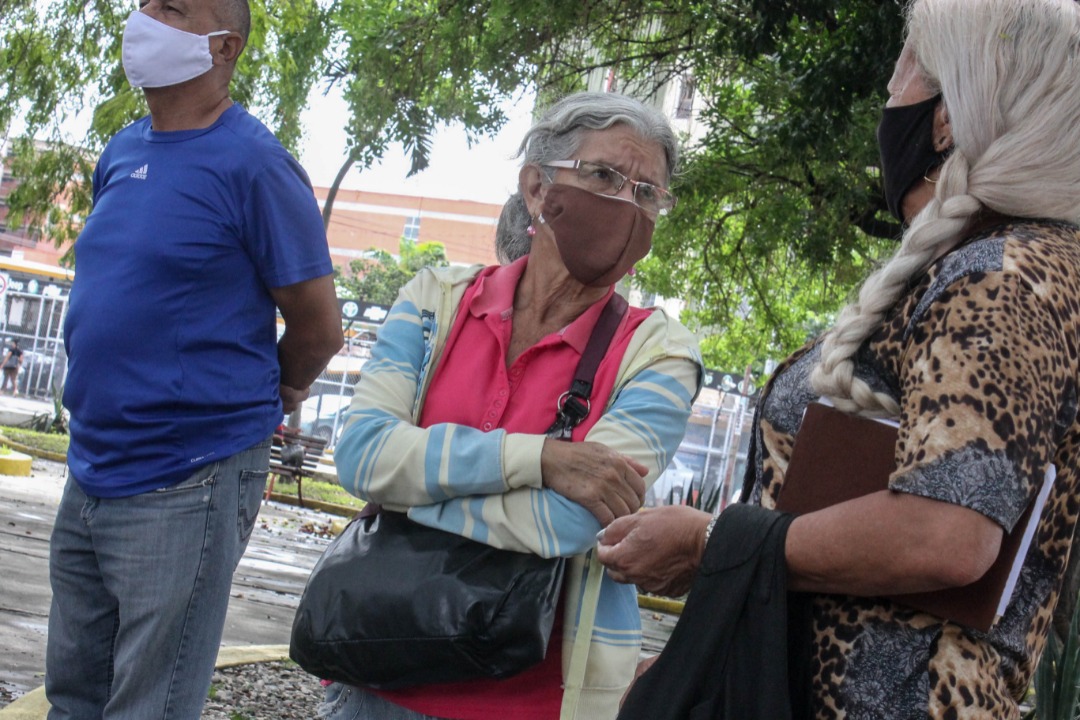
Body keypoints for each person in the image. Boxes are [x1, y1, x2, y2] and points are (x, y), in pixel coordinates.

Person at [597, 0, 1080, 717]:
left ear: (946, 118)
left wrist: (709, 542)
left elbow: (946, 535)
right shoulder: (979, 263)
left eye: (906, 67)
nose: (891, 91)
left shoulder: (1005, 276)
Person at [323, 91, 704, 720]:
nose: (625, 204)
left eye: (647, 193)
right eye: (605, 175)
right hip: (377, 677)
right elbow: (362, 455)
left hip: (537, 701)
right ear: (536, 188)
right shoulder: (434, 301)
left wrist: (409, 485)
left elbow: (568, 524)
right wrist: (542, 459)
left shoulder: (659, 354)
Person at [45, 0, 343, 717]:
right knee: (73, 700)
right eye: (144, 4)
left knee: (149, 706)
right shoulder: (124, 151)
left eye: (170, 8)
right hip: (91, 467)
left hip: (189, 476)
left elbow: (318, 327)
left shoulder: (257, 166)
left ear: (222, 48)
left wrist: (278, 390)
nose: (143, 18)